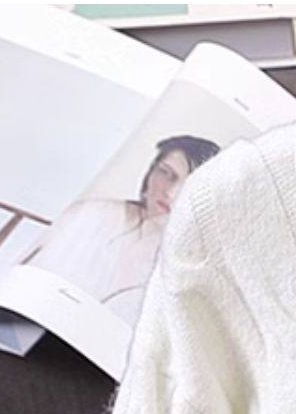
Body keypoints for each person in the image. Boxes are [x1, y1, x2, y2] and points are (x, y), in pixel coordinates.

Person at [20, 133, 220, 325]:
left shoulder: (188, 266)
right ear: (151, 170)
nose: (170, 192)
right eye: (166, 173)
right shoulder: (90, 213)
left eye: (188, 186)